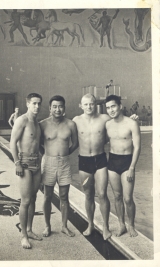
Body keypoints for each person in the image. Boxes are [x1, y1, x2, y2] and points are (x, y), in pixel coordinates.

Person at [73, 94, 111, 240]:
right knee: (88, 194)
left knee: (102, 194)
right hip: (84, 161)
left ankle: (106, 227)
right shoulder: (76, 121)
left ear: (96, 104)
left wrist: (133, 119)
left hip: (100, 159)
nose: (89, 107)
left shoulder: (104, 119)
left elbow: (117, 128)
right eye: (86, 104)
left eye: (91, 104)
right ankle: (90, 225)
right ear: (80, 105)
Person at [40, 95, 78, 238]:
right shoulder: (43, 124)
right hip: (48, 162)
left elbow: (75, 143)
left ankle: (64, 226)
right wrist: (46, 155)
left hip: (64, 163)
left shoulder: (70, 124)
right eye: (54, 106)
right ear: (50, 108)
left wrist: (65, 154)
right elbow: (38, 144)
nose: (57, 109)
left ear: (64, 108)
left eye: (60, 106)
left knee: (64, 196)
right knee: (47, 196)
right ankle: (47, 226)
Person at [10, 93, 43, 249]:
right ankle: (23, 235)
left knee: (34, 198)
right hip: (24, 163)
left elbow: (38, 144)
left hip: (37, 163)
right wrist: (17, 163)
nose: (37, 106)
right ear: (28, 104)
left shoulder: (37, 123)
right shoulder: (21, 120)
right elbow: (12, 143)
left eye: (39, 104)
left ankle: (29, 230)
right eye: (34, 103)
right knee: (26, 201)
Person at [105, 95, 141, 237]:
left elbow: (137, 147)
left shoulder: (131, 123)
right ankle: (121, 225)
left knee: (128, 198)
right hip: (112, 162)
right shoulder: (107, 124)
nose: (111, 110)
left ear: (120, 106)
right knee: (117, 196)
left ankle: (131, 225)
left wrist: (132, 167)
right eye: (108, 107)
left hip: (127, 162)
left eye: (113, 106)